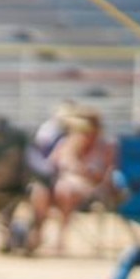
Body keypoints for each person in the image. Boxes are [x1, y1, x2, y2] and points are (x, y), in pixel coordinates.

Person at [30, 106, 116, 254]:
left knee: (66, 191)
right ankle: (37, 235)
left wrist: (83, 172)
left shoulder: (107, 146)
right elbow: (52, 165)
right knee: (40, 192)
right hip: (60, 184)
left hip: (89, 189)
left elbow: (105, 175)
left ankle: (60, 239)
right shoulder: (68, 142)